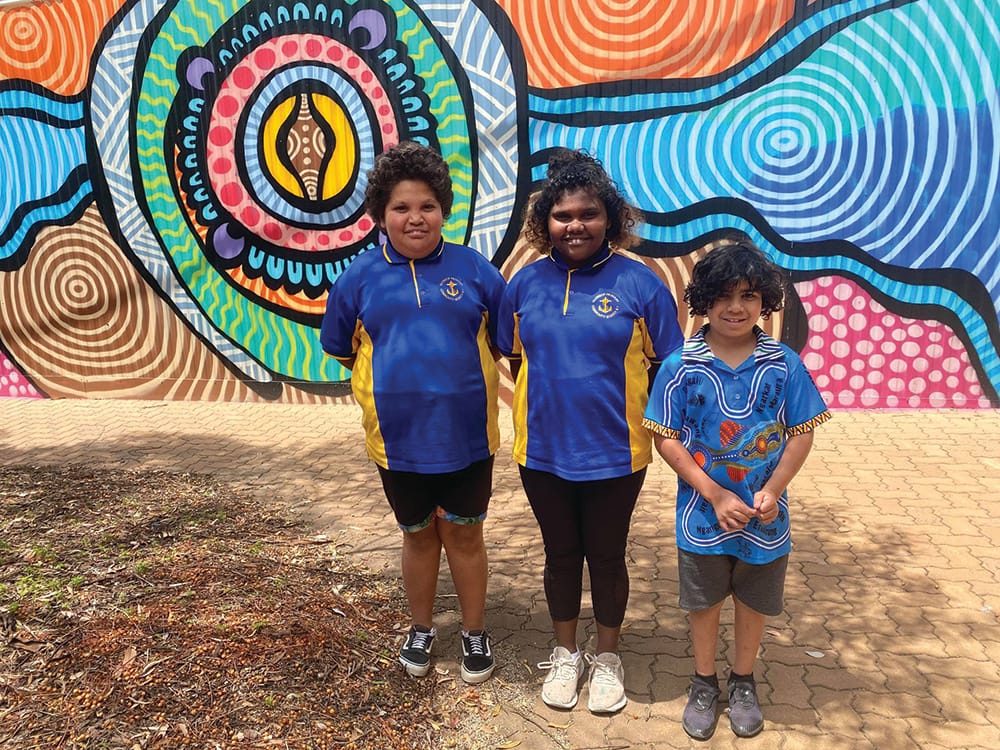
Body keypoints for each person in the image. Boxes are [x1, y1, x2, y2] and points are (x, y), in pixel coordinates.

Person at [497, 150, 683, 713]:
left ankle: (606, 659)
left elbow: (666, 365)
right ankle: (564, 653)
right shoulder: (524, 284)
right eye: (562, 215)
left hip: (617, 453)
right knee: (559, 554)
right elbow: (512, 356)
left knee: (605, 555)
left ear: (611, 219)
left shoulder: (640, 284)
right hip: (543, 451)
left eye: (588, 213)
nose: (575, 225)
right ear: (544, 223)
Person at [320, 141, 505, 684]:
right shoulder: (359, 278)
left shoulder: (476, 271)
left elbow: (503, 341)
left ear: (443, 209)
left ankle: (474, 631)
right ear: (381, 215)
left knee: (466, 537)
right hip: (396, 442)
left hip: (468, 438)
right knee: (418, 536)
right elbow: (343, 348)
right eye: (401, 207)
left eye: (427, 205)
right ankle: (421, 627)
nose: (415, 217)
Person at [643, 240, 832, 738]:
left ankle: (743, 679)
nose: (735, 307)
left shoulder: (783, 364)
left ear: (765, 302)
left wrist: (773, 488)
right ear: (703, 299)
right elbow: (665, 439)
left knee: (753, 601)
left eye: (749, 295)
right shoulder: (680, 366)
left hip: (765, 520)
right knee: (704, 602)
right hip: (701, 518)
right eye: (723, 295)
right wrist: (714, 492)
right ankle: (704, 681)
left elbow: (802, 429)